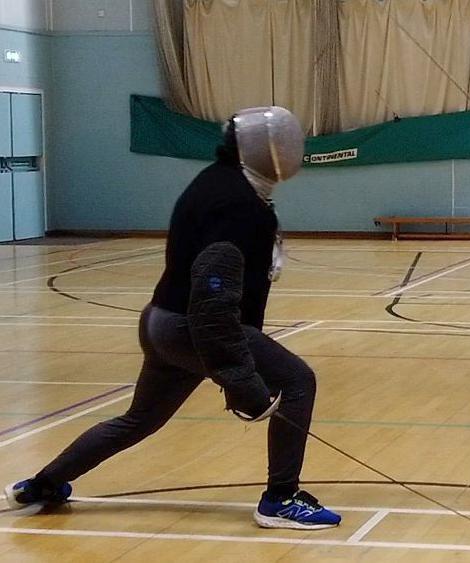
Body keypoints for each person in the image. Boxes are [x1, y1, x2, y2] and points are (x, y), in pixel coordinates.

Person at [4, 106, 341, 530]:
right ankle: (281, 498)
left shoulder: (220, 183)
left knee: (139, 419)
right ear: (262, 149)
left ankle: (42, 484)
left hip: (161, 321)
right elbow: (213, 296)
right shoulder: (238, 204)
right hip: (194, 326)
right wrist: (239, 378)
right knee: (296, 380)